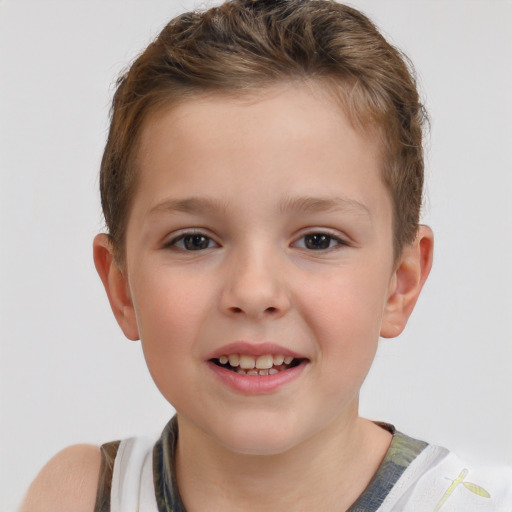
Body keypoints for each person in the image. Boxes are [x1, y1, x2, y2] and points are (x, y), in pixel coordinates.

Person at [20, 0, 512, 510]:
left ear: (400, 282)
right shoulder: (83, 493)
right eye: (194, 240)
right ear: (121, 287)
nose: (254, 293)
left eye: (318, 240)